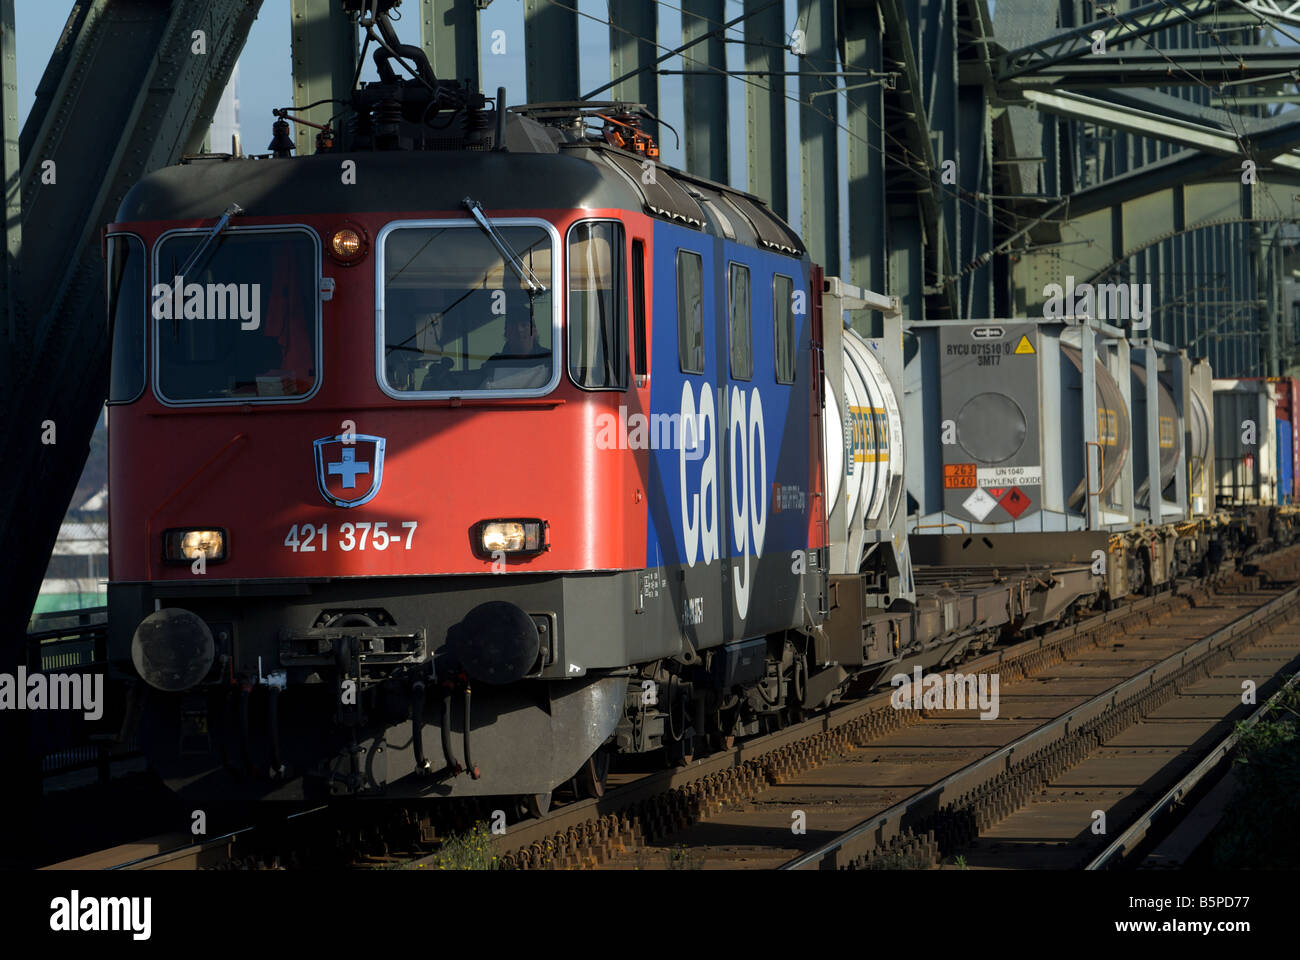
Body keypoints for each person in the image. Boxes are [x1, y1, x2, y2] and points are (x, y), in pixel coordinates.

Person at [479, 314, 550, 388]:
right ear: (506, 333)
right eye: (513, 326)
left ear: (534, 331)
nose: (519, 330)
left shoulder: (550, 358)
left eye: (524, 325)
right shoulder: (494, 362)